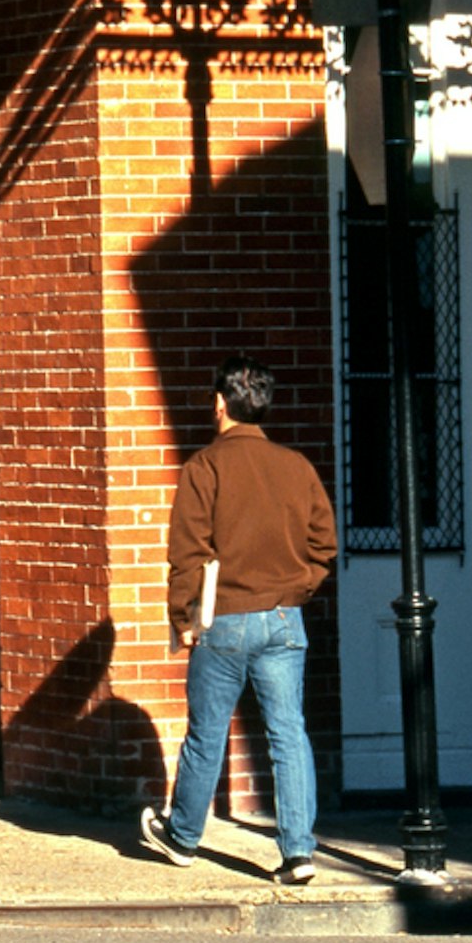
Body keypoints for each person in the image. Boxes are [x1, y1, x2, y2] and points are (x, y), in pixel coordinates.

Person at [139, 358, 336, 885]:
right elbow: (324, 545)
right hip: (283, 617)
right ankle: (298, 853)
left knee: (206, 734)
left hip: (223, 618)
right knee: (289, 735)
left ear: (220, 404)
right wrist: (300, 587)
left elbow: (187, 551)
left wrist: (184, 616)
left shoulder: (204, 467)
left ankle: (182, 836)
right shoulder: (297, 466)